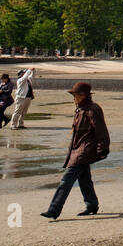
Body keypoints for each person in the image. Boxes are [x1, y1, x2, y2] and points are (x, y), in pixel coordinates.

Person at [40, 82, 109, 219]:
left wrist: (102, 149)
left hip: (84, 151)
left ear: (83, 95)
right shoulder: (80, 108)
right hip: (78, 150)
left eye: (75, 95)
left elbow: (102, 131)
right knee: (85, 180)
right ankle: (92, 205)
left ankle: (53, 210)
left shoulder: (92, 109)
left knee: (66, 181)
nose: (73, 98)